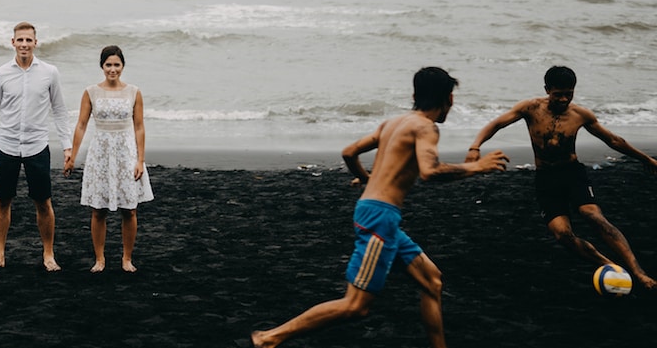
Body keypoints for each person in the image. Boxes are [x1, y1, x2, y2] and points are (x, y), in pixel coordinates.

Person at [250, 67, 508, 348]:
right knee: (355, 306)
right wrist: (476, 167)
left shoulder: (393, 123)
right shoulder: (425, 127)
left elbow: (349, 152)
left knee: (432, 281)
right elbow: (430, 172)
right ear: (450, 98)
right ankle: (269, 338)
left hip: (380, 214)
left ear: (414, 95)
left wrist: (366, 179)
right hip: (379, 219)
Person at [465, 65, 657, 290]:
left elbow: (614, 141)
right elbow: (496, 124)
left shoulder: (580, 115)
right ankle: (612, 268)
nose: (564, 99)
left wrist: (646, 159)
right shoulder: (530, 108)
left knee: (593, 215)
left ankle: (638, 272)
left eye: (569, 93)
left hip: (572, 173)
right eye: (558, 94)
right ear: (547, 90)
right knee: (562, 234)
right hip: (546, 178)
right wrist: (475, 146)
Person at [0, 22, 73, 273]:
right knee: (2, 200)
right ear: (12, 42)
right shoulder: (0, 74)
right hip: (6, 145)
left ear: (35, 43)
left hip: (37, 147)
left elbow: (60, 111)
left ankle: (49, 254)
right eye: (20, 40)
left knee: (43, 202)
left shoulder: (50, 72)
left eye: (28, 40)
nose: (24, 44)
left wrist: (67, 147)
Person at [64, 45, 153, 272]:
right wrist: (72, 156)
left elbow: (140, 127)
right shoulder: (91, 92)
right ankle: (100, 258)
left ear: (123, 66)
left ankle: (127, 258)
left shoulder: (134, 91)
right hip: (100, 152)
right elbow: (82, 125)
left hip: (126, 152)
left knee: (129, 209)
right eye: (108, 65)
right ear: (102, 66)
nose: (112, 69)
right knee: (98, 209)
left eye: (117, 65)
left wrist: (140, 159)